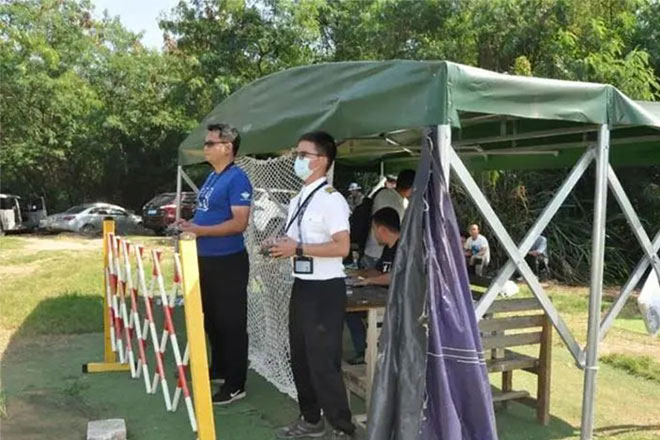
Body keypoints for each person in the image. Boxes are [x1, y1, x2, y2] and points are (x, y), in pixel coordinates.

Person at [270, 131, 355, 439]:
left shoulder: (332, 199)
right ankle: (311, 419)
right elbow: (295, 241)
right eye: (297, 154)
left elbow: (342, 247)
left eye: (304, 155)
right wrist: (279, 245)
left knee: (323, 361)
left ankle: (342, 427)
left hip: (326, 288)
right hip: (303, 284)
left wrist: (298, 249)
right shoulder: (298, 198)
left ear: (322, 161)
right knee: (300, 356)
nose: (298, 160)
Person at [178, 123, 252, 406]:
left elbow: (239, 223)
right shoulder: (212, 176)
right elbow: (207, 214)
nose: (205, 148)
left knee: (231, 322)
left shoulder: (237, 179)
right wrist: (190, 225)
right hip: (205, 258)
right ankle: (219, 369)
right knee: (212, 319)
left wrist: (200, 231)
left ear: (227, 147)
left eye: (210, 143)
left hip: (228, 260)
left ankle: (236, 384)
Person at [346, 207, 400, 365]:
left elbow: (394, 277)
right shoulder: (388, 248)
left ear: (382, 229)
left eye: (373, 230)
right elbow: (378, 270)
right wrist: (357, 274)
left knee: (355, 309)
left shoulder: (403, 248)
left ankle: (369, 351)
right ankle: (364, 350)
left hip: (396, 301)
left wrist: (368, 281)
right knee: (349, 310)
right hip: (382, 296)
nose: (373, 234)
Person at [361, 169, 415, 269]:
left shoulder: (383, 193)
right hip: (381, 254)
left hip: (370, 249)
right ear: (412, 188)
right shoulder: (397, 205)